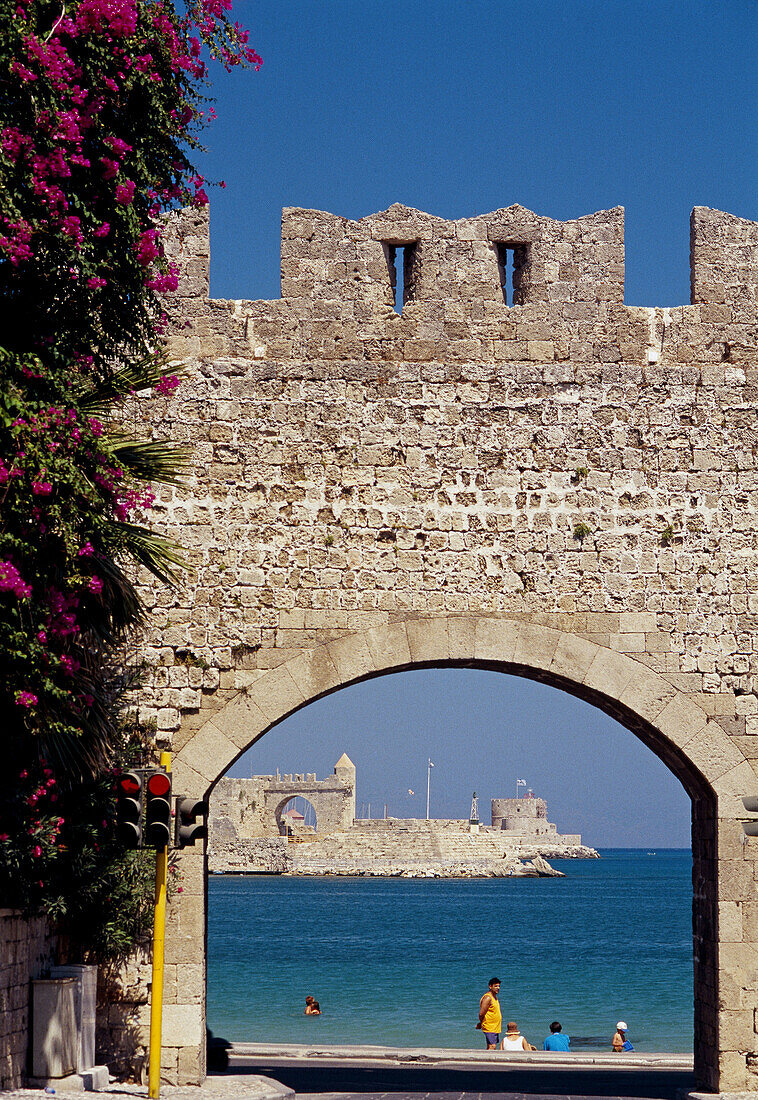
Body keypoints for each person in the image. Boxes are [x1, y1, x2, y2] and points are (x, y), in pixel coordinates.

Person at [476, 977, 502, 1050]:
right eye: (496, 986)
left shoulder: (494, 997)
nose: (498, 988)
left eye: (499, 986)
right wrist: (481, 1023)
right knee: (492, 1046)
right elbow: (481, 1013)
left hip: (495, 1027)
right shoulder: (488, 998)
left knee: (491, 1046)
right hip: (490, 1026)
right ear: (490, 986)